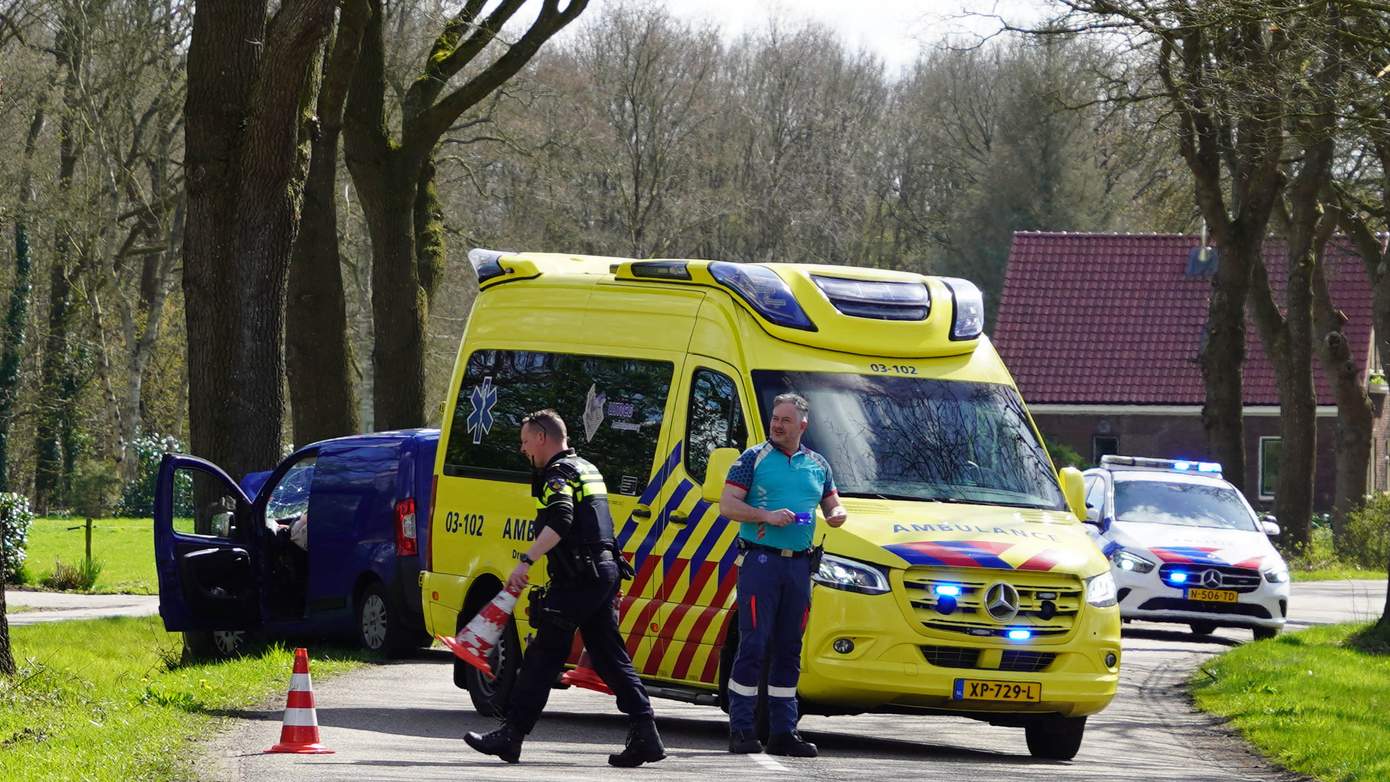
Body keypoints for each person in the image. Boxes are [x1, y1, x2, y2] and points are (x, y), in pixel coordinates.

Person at [464, 409, 666, 767]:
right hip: (601, 571)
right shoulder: (587, 468)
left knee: (543, 655)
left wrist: (526, 560)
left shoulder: (558, 474)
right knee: (609, 654)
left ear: (542, 438)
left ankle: (511, 735)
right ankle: (646, 733)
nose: (525, 450)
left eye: (526, 442)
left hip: (579, 577)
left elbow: (561, 519)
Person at [719, 392, 847, 758]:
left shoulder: (817, 464)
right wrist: (767, 517)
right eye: (775, 418)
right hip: (761, 563)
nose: (777, 425)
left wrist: (838, 514)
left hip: (799, 566)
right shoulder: (752, 459)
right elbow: (728, 506)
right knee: (754, 644)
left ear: (802, 425)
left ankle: (783, 731)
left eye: (785, 420)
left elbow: (831, 501)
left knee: (790, 649)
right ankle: (742, 729)